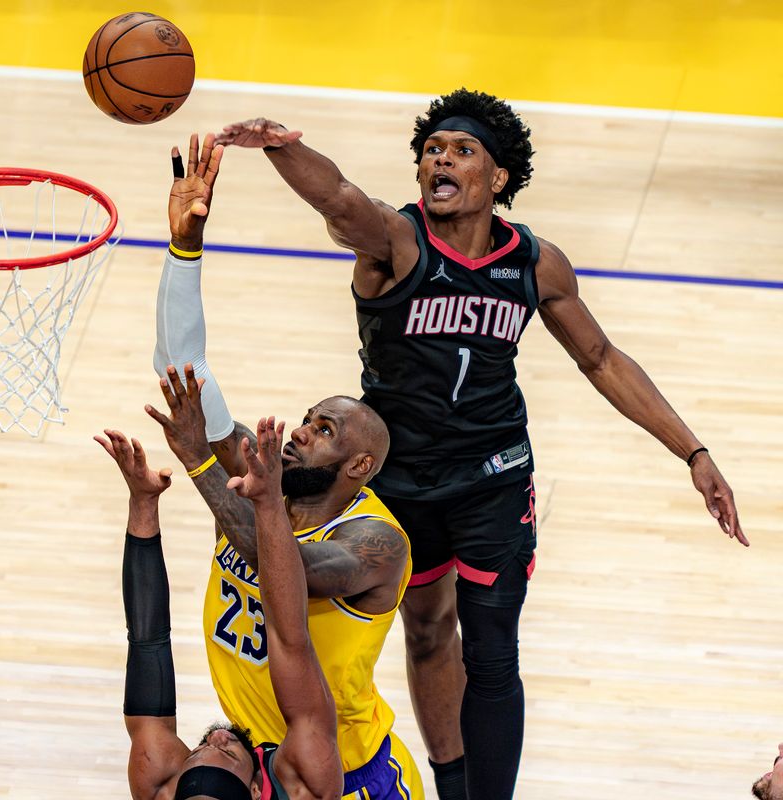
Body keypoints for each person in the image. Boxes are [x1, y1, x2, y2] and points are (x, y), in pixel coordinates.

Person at [213, 89, 748, 800]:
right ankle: (453, 784)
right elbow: (339, 199)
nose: (440, 159)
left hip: (494, 475)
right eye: (432, 149)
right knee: (428, 634)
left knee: (493, 651)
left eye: (461, 150)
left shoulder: (536, 263)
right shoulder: (397, 242)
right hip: (402, 479)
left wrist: (694, 453)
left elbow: (600, 358)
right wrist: (284, 148)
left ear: (498, 178)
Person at [147, 133, 423, 799]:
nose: (300, 433)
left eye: (323, 431)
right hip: (253, 770)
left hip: (346, 778)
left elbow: (282, 567)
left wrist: (200, 460)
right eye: (306, 419)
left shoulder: (377, 543)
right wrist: (185, 246)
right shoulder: (258, 470)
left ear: (359, 465)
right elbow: (183, 372)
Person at [96, 421, 344, 799]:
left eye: (196, 753)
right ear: (257, 790)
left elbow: (147, 640)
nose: (216, 738)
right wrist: (268, 504)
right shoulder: (307, 786)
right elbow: (290, 638)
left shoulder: (159, 782)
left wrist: (143, 502)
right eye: (226, 753)